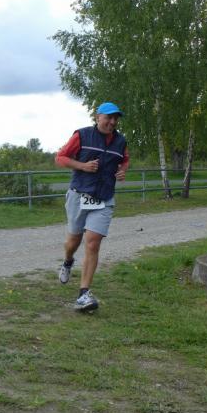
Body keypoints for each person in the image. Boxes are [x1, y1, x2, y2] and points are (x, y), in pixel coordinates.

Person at [55, 102, 129, 311]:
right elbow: (60, 158)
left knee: (93, 243)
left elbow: (125, 160)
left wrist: (123, 170)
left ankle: (83, 294)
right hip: (79, 195)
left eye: (116, 118)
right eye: (108, 118)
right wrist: (82, 166)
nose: (112, 122)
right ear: (98, 117)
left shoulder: (121, 141)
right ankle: (68, 261)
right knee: (73, 241)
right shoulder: (82, 135)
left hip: (104, 198)